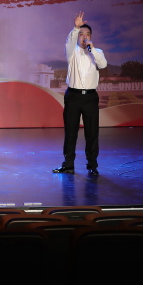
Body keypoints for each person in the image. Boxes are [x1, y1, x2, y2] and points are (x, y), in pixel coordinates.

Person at [53, 12, 107, 177]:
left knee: (92, 133)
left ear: (91, 37)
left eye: (87, 34)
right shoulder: (72, 52)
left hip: (90, 97)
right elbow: (69, 43)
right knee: (71, 132)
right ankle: (68, 164)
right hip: (73, 96)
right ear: (78, 36)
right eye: (81, 34)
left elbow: (102, 64)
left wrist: (92, 49)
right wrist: (76, 28)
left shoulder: (97, 52)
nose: (84, 37)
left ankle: (92, 165)